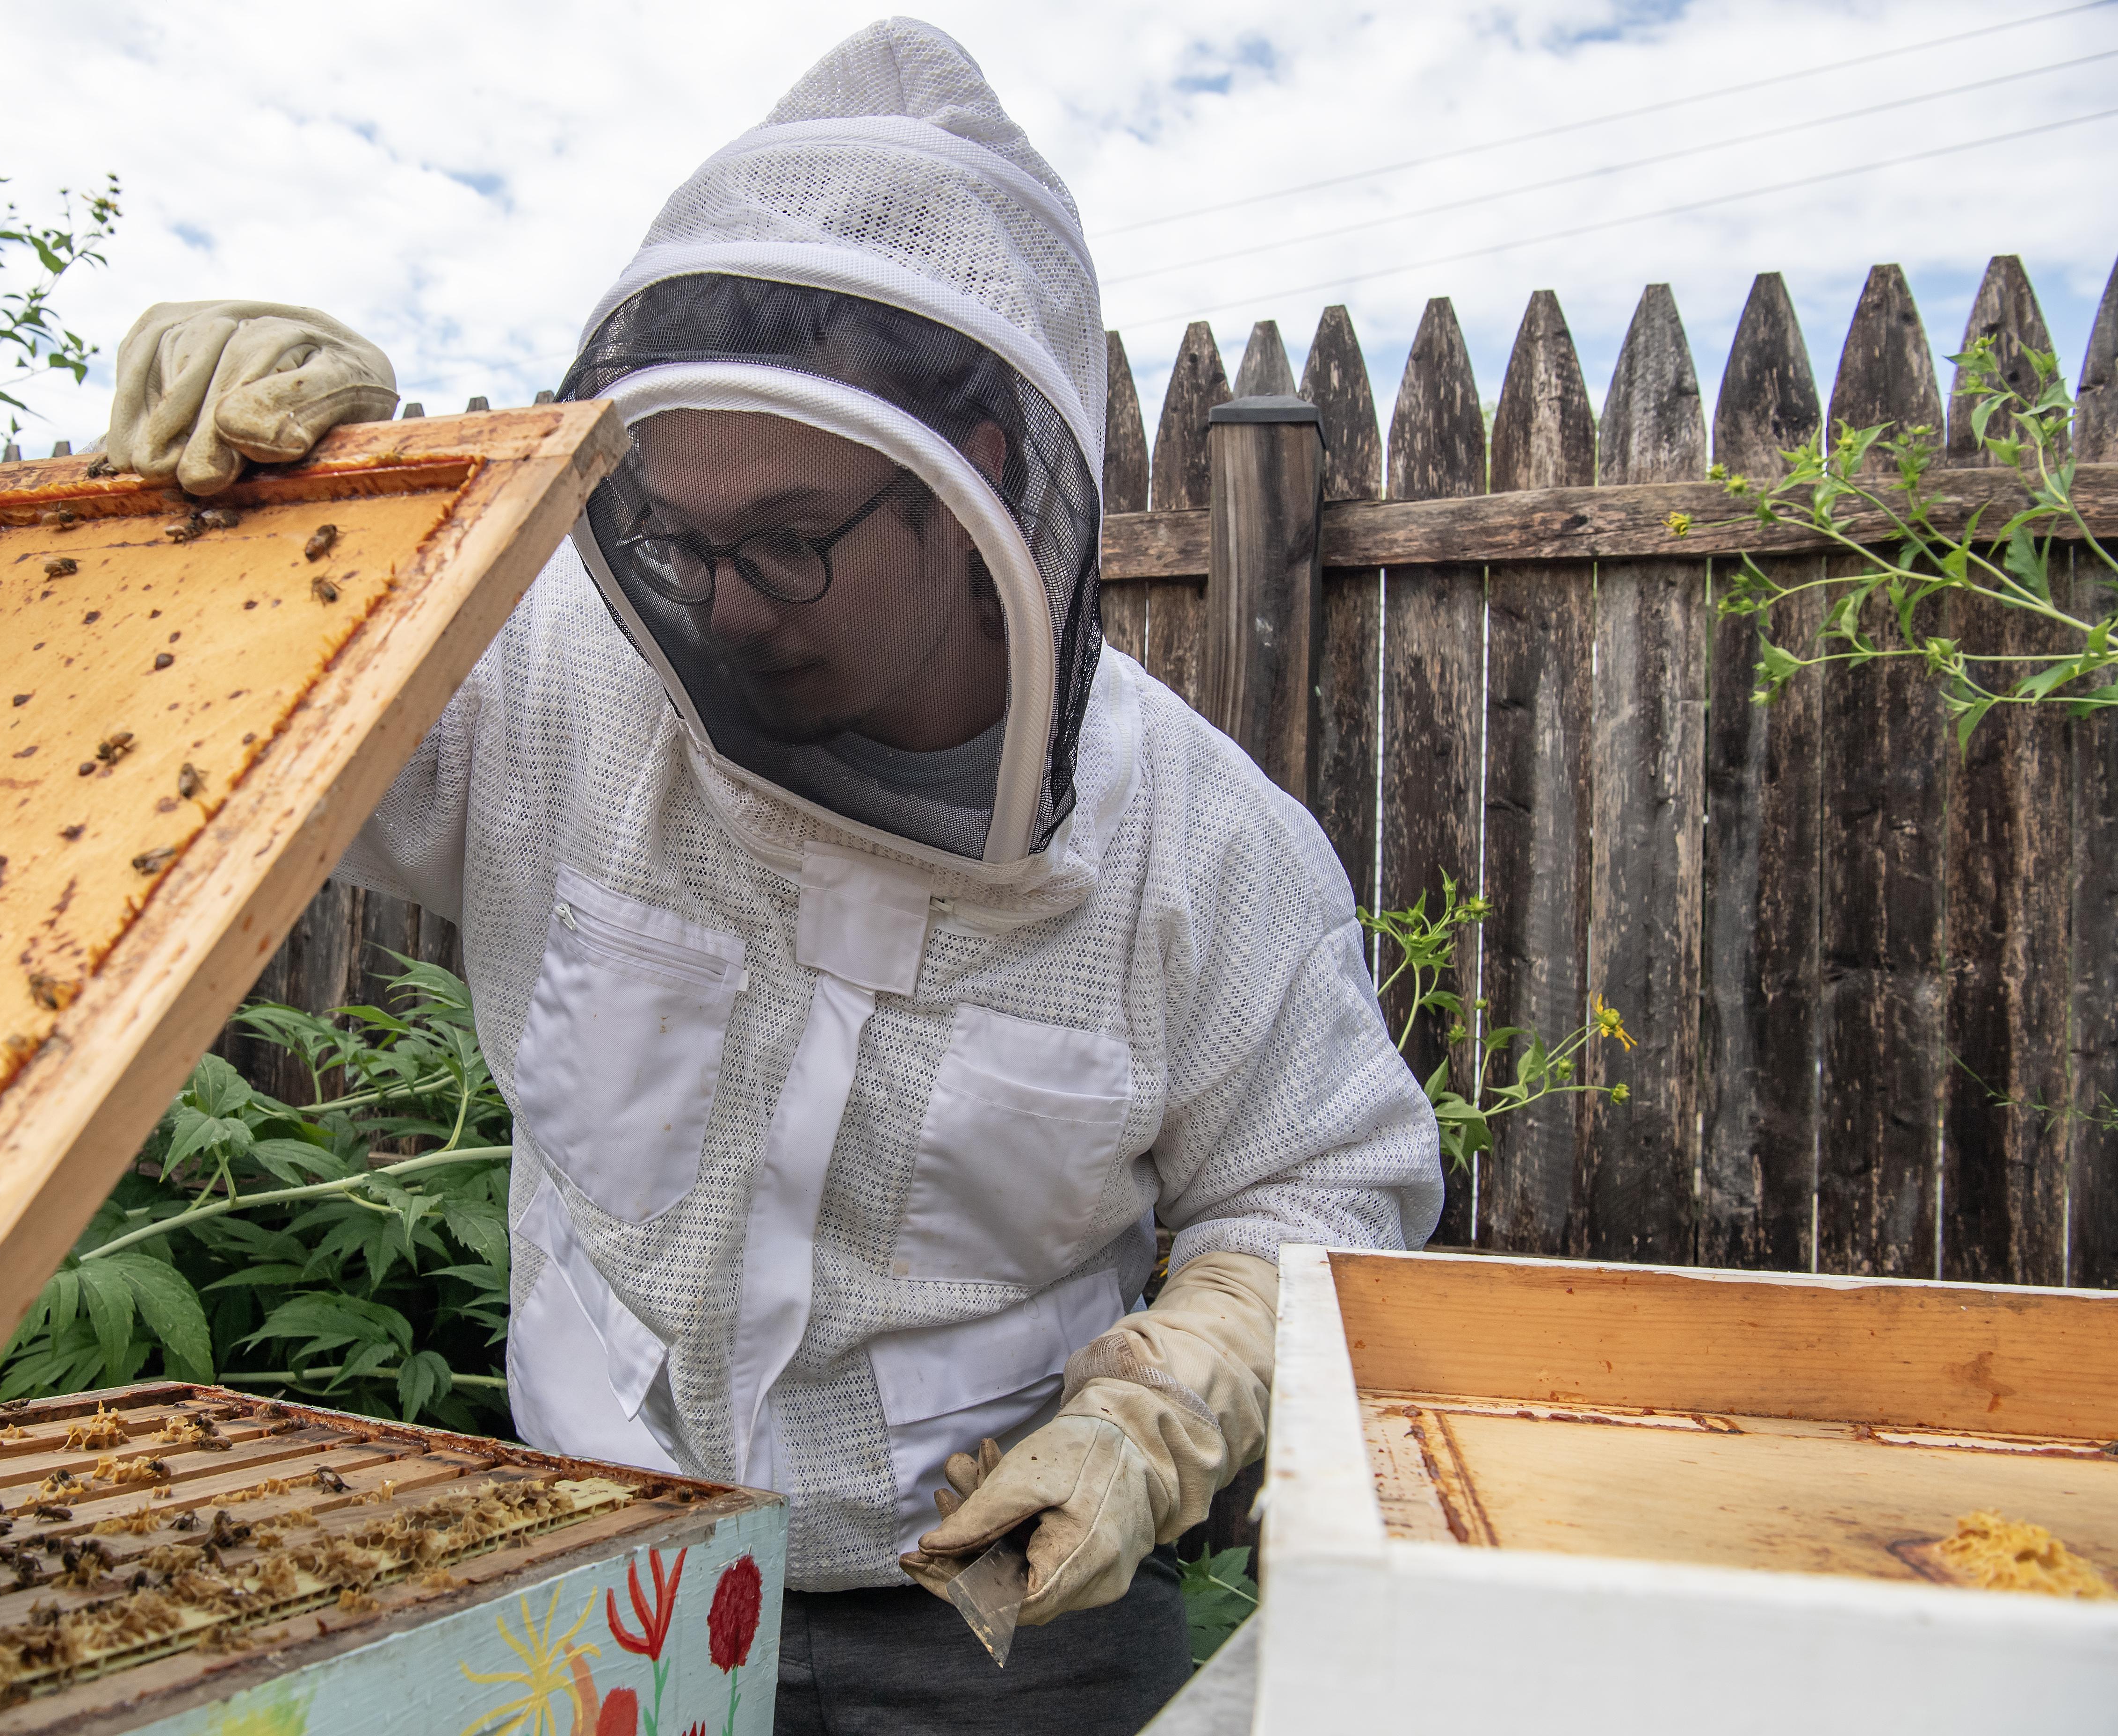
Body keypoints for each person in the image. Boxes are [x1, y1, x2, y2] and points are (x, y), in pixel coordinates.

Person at [105, 19, 1439, 1733]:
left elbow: (1320, 1188)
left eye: (791, 541)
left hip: (988, 1630)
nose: (724, 606)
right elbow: (244, 749)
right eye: (679, 539)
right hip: (587, 1570)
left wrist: (1154, 1415)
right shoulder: (550, 687)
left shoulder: (1205, 851)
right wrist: (293, 531)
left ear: (978, 478)